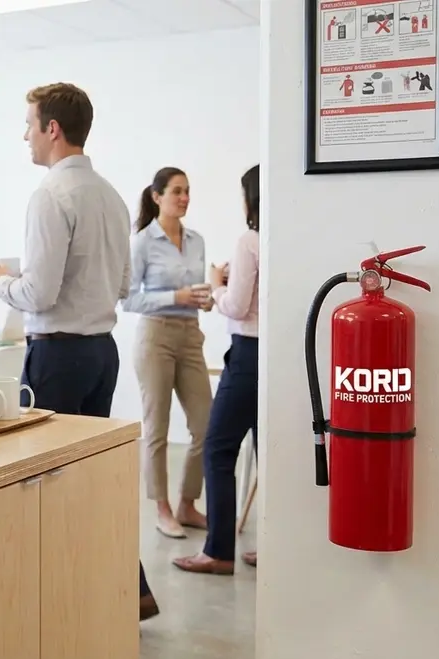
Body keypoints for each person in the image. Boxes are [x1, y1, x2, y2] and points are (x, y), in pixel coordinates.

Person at [0, 82, 153, 618]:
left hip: (57, 354)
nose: (25, 135)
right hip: (102, 353)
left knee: (51, 487)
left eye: (29, 123)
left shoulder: (50, 196)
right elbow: (123, 286)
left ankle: (59, 604)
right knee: (87, 480)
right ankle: (127, 591)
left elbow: (39, 293)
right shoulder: (112, 196)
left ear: (51, 129)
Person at [174, 164, 261, 575]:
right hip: (278, 354)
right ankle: (275, 545)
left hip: (248, 354)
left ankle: (218, 551)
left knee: (218, 447)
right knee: (268, 453)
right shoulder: (286, 237)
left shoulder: (250, 240)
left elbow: (237, 306)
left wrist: (217, 284)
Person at [124, 166, 213, 538]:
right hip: (155, 336)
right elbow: (128, 298)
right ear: (157, 196)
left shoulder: (196, 240)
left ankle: (187, 503)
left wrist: (205, 299)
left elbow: (196, 290)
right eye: (177, 191)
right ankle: (162, 508)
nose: (184, 198)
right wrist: (174, 297)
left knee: (206, 426)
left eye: (188, 191)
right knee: (157, 427)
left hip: (190, 333)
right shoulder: (142, 242)